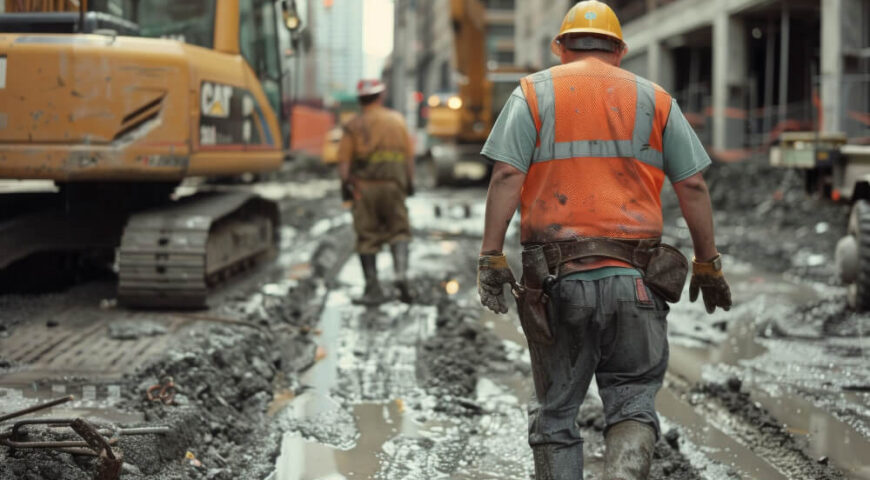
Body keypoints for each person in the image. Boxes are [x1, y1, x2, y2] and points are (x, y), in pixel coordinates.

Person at [475, 1, 732, 479]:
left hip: (557, 281)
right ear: (619, 50)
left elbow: (508, 173)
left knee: (555, 416)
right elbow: (693, 184)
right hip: (636, 281)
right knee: (633, 405)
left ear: (561, 46)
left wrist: (491, 256)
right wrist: (707, 263)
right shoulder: (655, 99)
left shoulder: (532, 93)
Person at [338, 79, 415, 305]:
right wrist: (409, 183)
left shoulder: (353, 125)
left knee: (367, 237)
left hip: (365, 188)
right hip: (394, 186)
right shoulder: (397, 121)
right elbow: (409, 157)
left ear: (360, 99)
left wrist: (346, 186)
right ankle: (400, 274)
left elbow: (344, 163)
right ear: (380, 96)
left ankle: (373, 289)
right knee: (399, 231)